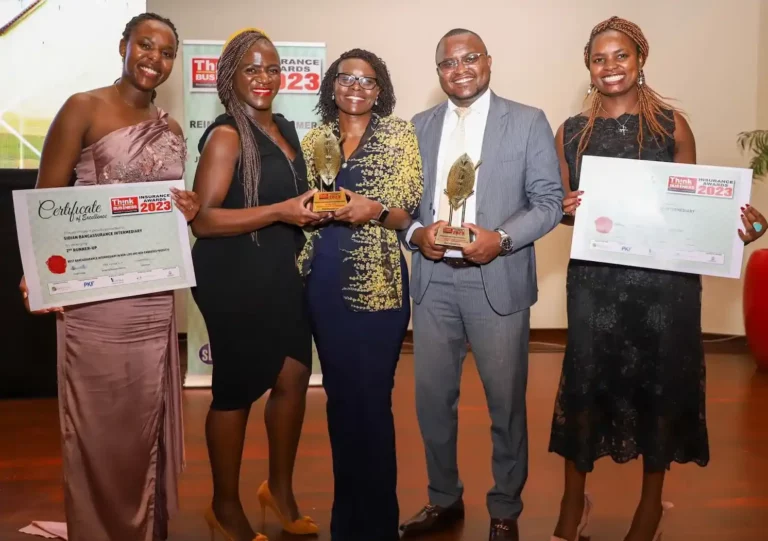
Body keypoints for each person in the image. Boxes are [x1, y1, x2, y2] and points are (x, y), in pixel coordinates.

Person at [547, 16, 768, 541]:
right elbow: (558, 208)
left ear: (640, 60)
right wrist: (563, 205)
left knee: (659, 385)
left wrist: (736, 230)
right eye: (599, 58)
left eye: (620, 55)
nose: (610, 66)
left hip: (664, 288)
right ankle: (573, 501)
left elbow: (690, 212)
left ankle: (651, 507)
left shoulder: (672, 126)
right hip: (596, 281)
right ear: (588, 67)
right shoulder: (571, 132)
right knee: (585, 383)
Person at [18, 12, 199, 541]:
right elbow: (46, 199)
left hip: (152, 294)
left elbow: (159, 206)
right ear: (123, 46)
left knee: (145, 420)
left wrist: (183, 207)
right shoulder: (83, 107)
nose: (154, 59)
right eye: (145, 45)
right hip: (96, 299)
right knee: (100, 423)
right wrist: (37, 273)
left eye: (166, 52)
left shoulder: (168, 125)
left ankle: (145, 527)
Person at [399, 29, 564, 541]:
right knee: (431, 401)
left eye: (470, 58)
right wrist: (413, 234)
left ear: (488, 62)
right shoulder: (417, 126)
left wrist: (503, 238)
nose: (460, 68)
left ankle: (505, 509)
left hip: (498, 282)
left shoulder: (529, 121)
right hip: (433, 284)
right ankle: (443, 499)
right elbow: (402, 205)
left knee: (506, 403)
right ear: (439, 73)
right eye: (448, 62)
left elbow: (548, 203)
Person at [189, 28, 319, 541]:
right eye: (252, 69)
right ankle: (224, 506)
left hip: (278, 274)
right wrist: (282, 211)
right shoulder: (226, 136)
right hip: (232, 277)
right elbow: (204, 220)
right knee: (236, 392)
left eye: (271, 68)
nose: (264, 78)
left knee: (291, 379)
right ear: (230, 77)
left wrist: (315, 207)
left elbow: (293, 199)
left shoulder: (285, 127)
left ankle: (279, 491)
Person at [298, 49, 423, 541]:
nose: (356, 87)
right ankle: (345, 525)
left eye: (367, 81)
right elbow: (299, 203)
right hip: (322, 280)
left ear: (380, 90)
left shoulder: (399, 135)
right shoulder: (313, 140)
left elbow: (406, 206)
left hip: (378, 287)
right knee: (339, 402)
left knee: (371, 404)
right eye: (347, 78)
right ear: (332, 85)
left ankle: (376, 527)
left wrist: (371, 208)